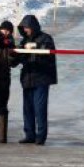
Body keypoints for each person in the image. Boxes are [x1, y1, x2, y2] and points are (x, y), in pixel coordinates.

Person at [14, 14, 57, 145]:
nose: (25, 30)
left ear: (33, 26)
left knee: (40, 109)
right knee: (27, 109)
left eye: (27, 27)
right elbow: (19, 59)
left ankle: (41, 136)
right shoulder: (24, 41)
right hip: (27, 78)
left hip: (42, 78)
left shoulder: (46, 38)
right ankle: (29, 135)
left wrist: (34, 47)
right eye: (23, 28)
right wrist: (14, 55)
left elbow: (48, 51)